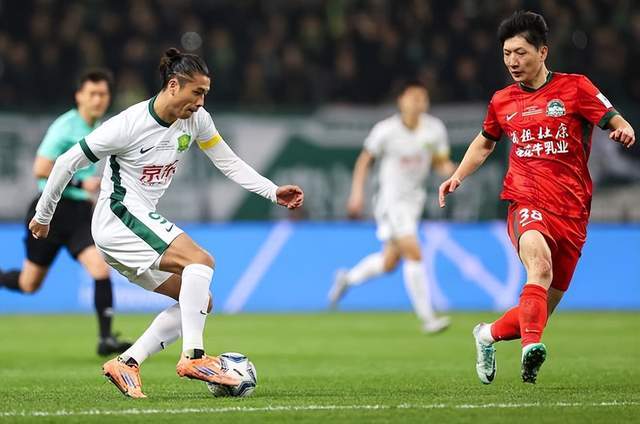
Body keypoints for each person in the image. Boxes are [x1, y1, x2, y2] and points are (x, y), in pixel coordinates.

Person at [29, 48, 304, 398]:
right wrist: (44, 215)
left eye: (205, 94)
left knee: (200, 300)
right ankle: (194, 357)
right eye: (197, 92)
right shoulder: (128, 125)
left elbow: (228, 161)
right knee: (200, 260)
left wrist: (272, 191)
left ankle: (127, 362)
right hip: (118, 217)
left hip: (132, 227)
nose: (201, 102)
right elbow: (66, 162)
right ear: (173, 85)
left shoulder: (197, 120)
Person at [438, 11, 635, 384]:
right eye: (506, 54)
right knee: (539, 268)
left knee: (540, 308)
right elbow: (485, 142)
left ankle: (486, 334)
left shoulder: (575, 88)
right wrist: (457, 176)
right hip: (525, 201)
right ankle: (531, 349)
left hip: (572, 213)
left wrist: (624, 129)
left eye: (520, 53)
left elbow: (613, 118)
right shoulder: (502, 101)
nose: (512, 61)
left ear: (542, 52)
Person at [0, 69, 132, 356]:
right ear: (79, 96)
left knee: (99, 268)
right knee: (29, 284)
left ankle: (106, 339)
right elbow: (40, 169)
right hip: (50, 211)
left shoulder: (101, 127)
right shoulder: (64, 127)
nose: (98, 100)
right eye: (92, 94)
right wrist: (81, 184)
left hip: (79, 212)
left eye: (103, 94)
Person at [328, 80, 456, 333]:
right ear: (401, 101)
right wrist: (356, 194)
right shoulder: (385, 130)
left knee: (389, 262)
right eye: (413, 97)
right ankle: (428, 318)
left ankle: (347, 278)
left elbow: (440, 162)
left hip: (414, 201)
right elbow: (364, 161)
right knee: (414, 252)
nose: (418, 102)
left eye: (423, 97)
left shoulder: (434, 129)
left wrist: (454, 172)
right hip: (390, 201)